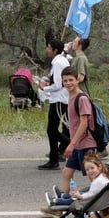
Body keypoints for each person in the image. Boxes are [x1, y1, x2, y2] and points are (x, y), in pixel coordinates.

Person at [50, 67, 98, 207]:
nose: (68, 83)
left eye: (71, 80)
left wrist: (71, 144)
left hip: (86, 143)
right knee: (67, 173)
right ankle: (65, 203)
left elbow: (84, 123)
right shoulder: (71, 96)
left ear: (78, 80)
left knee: (93, 176)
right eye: (65, 81)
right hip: (77, 144)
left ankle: (102, 209)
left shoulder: (81, 98)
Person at [38, 40, 71, 170]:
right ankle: (53, 159)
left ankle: (73, 146)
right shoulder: (62, 61)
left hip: (58, 99)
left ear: (55, 50)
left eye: (49, 47)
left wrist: (44, 89)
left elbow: (58, 84)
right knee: (52, 130)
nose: (47, 49)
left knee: (51, 130)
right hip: (62, 99)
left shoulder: (57, 63)